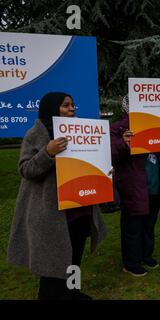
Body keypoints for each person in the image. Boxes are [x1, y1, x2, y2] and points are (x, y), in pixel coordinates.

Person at [7, 92, 107, 300]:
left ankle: (73, 293)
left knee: (75, 259)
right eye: (65, 105)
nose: (72, 108)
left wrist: (103, 171)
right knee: (53, 267)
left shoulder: (82, 132)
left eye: (72, 105)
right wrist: (48, 152)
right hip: (52, 216)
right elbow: (25, 170)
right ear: (52, 108)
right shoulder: (35, 135)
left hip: (79, 210)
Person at [110, 95, 160, 276]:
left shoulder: (156, 125)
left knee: (149, 224)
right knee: (133, 226)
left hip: (154, 185)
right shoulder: (117, 129)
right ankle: (131, 263)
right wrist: (124, 143)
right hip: (133, 187)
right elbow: (109, 153)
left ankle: (146, 255)